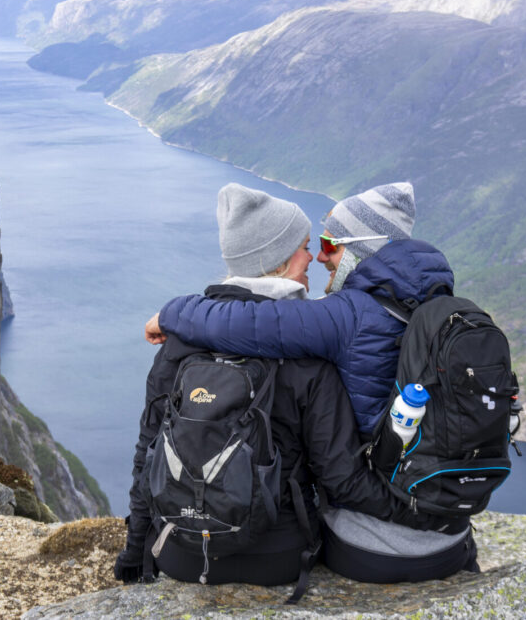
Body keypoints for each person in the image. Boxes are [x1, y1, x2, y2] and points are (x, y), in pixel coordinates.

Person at [114, 183, 470, 594]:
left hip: (179, 553)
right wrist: (423, 514)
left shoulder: (178, 343)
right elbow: (342, 480)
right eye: (305, 246)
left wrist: (136, 548)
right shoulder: (311, 355)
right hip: (279, 558)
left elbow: (147, 454)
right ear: (278, 261)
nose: (314, 259)